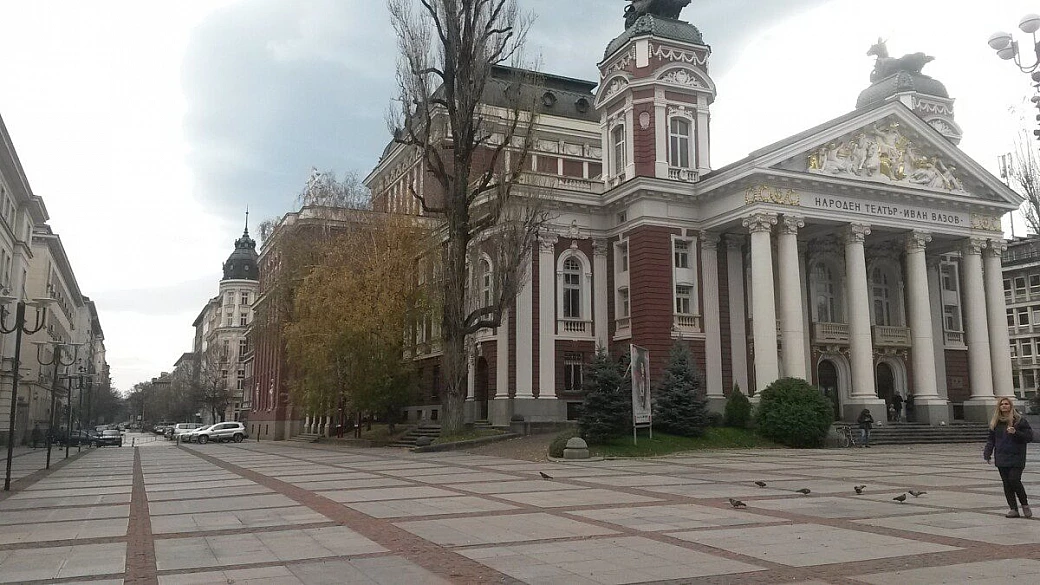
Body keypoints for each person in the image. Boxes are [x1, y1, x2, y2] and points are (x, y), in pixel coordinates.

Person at [984, 396, 1034, 518]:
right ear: (999, 407)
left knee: (1014, 480)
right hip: (1001, 456)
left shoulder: (1019, 421)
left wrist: (1015, 432)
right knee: (1006, 483)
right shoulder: (996, 422)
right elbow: (991, 440)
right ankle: (1013, 509)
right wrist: (987, 453)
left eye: (1006, 404)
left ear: (1010, 406)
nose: (1004, 406)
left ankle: (1025, 505)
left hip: (1017, 456)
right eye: (1002, 404)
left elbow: (1029, 437)